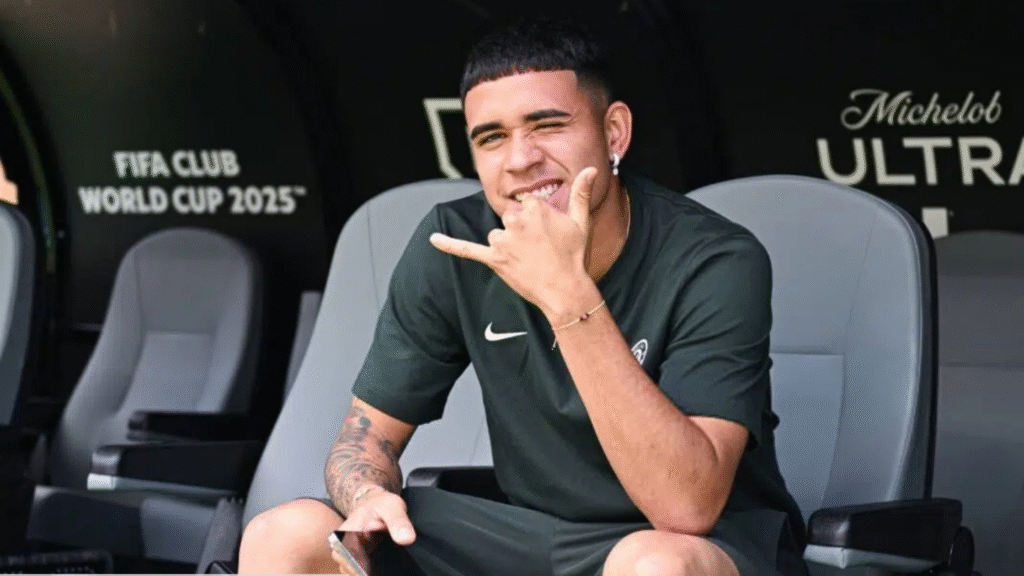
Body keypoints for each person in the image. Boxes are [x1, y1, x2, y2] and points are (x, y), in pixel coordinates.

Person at [238, 16, 807, 576]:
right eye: (492, 138)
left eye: (548, 125)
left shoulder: (714, 259)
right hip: (536, 533)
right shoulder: (456, 242)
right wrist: (367, 496)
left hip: (700, 544)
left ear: (614, 133)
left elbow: (686, 507)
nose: (520, 159)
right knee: (285, 535)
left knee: (655, 565)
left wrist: (567, 295)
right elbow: (363, 441)